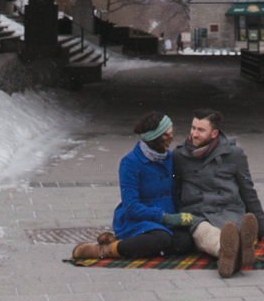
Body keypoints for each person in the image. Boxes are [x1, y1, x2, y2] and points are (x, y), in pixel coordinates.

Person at [71, 111, 195, 262]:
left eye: (171, 134)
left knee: (185, 241)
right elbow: (131, 206)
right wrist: (166, 217)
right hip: (137, 220)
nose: (172, 139)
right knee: (161, 239)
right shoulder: (130, 162)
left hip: (163, 221)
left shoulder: (167, 158)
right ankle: (103, 250)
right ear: (154, 138)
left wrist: (179, 216)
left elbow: (172, 194)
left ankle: (125, 244)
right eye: (166, 135)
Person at [171, 108, 264, 278]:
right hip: (197, 214)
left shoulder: (234, 154)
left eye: (201, 130)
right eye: (193, 128)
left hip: (228, 210)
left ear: (214, 133)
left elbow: (248, 191)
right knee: (208, 234)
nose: (194, 134)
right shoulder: (179, 156)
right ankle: (235, 252)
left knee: (231, 229)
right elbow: (174, 192)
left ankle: (238, 248)